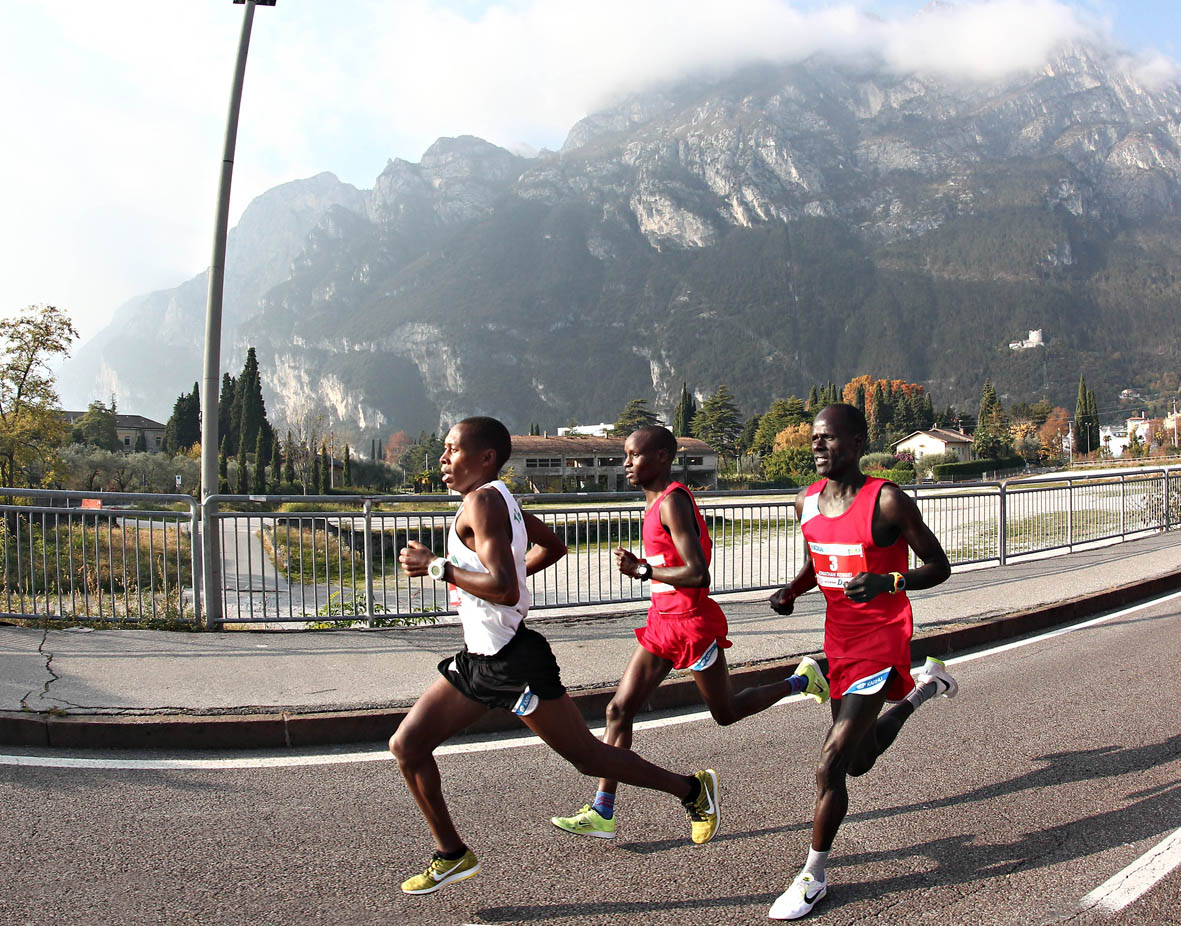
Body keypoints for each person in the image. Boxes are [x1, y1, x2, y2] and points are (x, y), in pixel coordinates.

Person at [393, 416, 720, 897]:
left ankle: (692, 791)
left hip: (512, 663)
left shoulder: (483, 502)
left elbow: (504, 588)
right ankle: (451, 855)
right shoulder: (502, 498)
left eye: (451, 450)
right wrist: (504, 582)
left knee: (588, 757)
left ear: (485, 458)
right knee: (408, 746)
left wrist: (436, 566)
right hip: (480, 659)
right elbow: (555, 547)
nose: (443, 459)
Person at [551, 425, 829, 840]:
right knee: (617, 710)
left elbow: (698, 573)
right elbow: (674, 565)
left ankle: (800, 681)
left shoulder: (672, 502)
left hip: (692, 626)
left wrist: (644, 569)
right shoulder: (655, 505)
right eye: (624, 455)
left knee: (726, 712)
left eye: (635, 455)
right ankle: (602, 810)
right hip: (663, 623)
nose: (626, 463)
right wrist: (650, 569)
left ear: (662, 456)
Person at [766, 404, 958, 920]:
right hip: (839, 642)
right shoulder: (806, 501)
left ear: (856, 443)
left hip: (882, 639)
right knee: (860, 758)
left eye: (828, 439)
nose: (817, 447)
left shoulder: (888, 500)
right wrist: (792, 588)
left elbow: (939, 567)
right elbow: (818, 559)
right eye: (813, 439)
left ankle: (814, 876)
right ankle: (926, 688)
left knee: (830, 762)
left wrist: (889, 581)